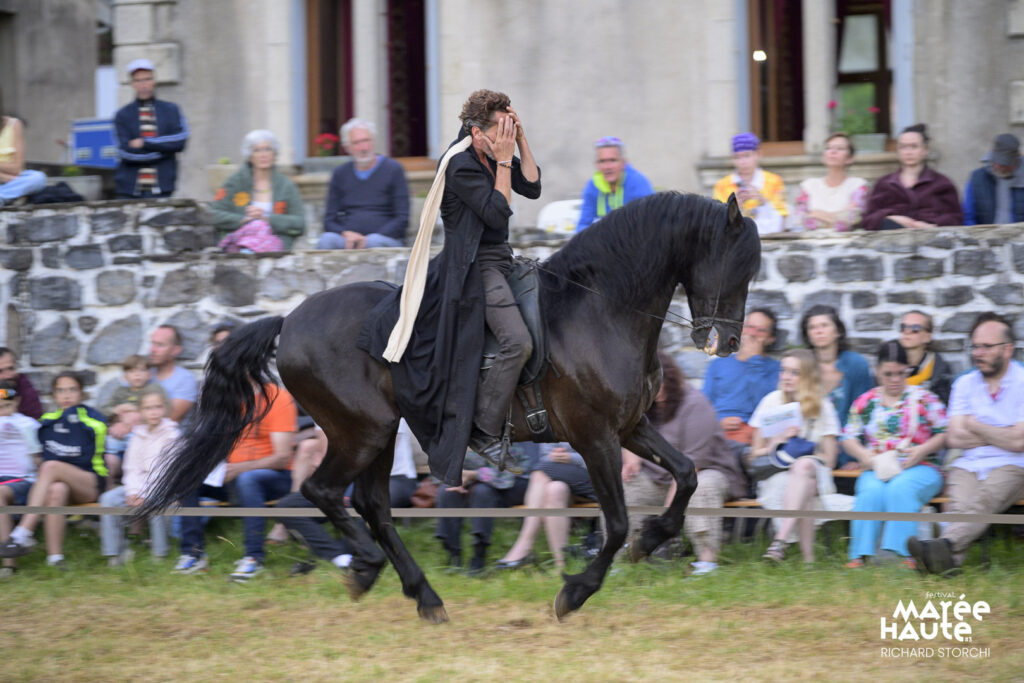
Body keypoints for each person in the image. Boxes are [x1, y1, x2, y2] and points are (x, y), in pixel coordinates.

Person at [357, 89, 541, 477]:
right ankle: (483, 433)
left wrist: (521, 139)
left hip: (501, 258)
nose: (504, 138)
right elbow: (497, 214)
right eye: (499, 131)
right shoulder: (460, 164)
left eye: (508, 130)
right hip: (474, 267)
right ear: (476, 133)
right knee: (518, 341)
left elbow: (532, 186)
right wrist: (504, 160)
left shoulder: (492, 151)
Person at [908, 312, 1024, 575]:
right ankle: (946, 564)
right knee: (960, 507)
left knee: (985, 499)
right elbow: (954, 437)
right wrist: (1001, 434)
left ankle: (941, 547)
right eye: (975, 346)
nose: (978, 353)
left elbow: (1019, 442)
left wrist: (975, 425)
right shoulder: (964, 383)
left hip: (1014, 465)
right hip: (969, 463)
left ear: (1007, 349)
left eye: (986, 347)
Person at [621, 352, 747, 576]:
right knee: (625, 486)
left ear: (669, 378)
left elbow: (689, 471)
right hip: (660, 476)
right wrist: (630, 455)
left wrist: (666, 521)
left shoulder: (696, 405)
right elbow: (628, 433)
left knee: (701, 487)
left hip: (705, 472)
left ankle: (706, 562)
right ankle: (621, 558)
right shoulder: (644, 403)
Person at [173, 382, 297, 581]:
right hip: (232, 474)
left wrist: (240, 468)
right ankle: (193, 554)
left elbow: (282, 458)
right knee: (187, 477)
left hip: (275, 477)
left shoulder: (277, 397)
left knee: (248, 479)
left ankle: (253, 558)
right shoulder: (229, 399)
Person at [842, 341, 948, 568]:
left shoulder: (924, 399)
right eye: (888, 374)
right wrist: (863, 454)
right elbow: (848, 437)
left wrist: (922, 450)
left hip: (921, 467)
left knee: (901, 487)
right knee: (869, 492)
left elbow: (945, 433)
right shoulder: (866, 401)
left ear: (908, 370)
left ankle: (905, 554)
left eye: (901, 373)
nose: (894, 379)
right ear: (878, 371)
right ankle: (858, 556)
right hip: (878, 467)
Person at [0, 372, 107, 568]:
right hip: (60, 483)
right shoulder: (46, 422)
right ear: (54, 395)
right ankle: (55, 557)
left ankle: (23, 531)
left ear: (81, 393)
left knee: (51, 467)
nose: (66, 395)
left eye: (72, 390)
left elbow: (86, 458)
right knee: (56, 489)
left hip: (89, 483)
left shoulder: (94, 419)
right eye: (61, 391)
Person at [752, 350, 843, 564]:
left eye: (795, 372)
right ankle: (808, 560)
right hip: (776, 471)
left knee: (803, 467)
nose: (786, 377)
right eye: (783, 371)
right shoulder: (771, 402)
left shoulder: (822, 406)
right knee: (805, 485)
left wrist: (804, 452)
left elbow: (829, 459)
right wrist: (779, 440)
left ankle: (780, 541)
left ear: (808, 376)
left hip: (816, 472)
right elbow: (754, 453)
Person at [99, 386, 179, 567]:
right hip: (139, 486)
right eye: (148, 408)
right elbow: (132, 467)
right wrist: (133, 492)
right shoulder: (138, 435)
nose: (153, 412)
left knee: (156, 501)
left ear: (165, 408)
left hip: (163, 487)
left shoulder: (172, 434)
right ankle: (115, 553)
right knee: (108, 499)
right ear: (141, 411)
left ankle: (160, 553)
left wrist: (143, 493)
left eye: (158, 407)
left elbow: (166, 470)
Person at [435, 442, 539, 575]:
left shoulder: (503, 434)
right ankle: (454, 556)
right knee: (447, 491)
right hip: (476, 481)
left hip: (512, 483)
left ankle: (479, 556)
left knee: (482, 492)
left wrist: (473, 475)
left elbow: (507, 471)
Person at [495, 443, 595, 570]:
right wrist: (555, 457)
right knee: (555, 490)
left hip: (596, 477)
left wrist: (571, 458)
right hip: (563, 478)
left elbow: (606, 455)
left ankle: (524, 545)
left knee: (540, 472)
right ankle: (561, 563)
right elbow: (545, 457)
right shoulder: (551, 430)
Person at [799, 305, 873, 468]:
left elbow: (863, 412)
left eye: (824, 325)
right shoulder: (801, 366)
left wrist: (857, 455)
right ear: (807, 335)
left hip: (848, 450)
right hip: (810, 449)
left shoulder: (856, 364)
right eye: (812, 327)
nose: (819, 331)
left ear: (838, 331)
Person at [318, 118, 410, 249]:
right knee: (327, 240)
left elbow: (402, 218)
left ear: (373, 141)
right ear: (347, 147)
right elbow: (329, 221)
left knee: (373, 242)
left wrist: (370, 238)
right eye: (356, 143)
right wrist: (345, 233)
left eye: (366, 140)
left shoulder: (394, 169)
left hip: (385, 239)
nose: (363, 148)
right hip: (348, 240)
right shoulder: (340, 173)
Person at [208, 129, 305, 251]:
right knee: (255, 226)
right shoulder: (235, 182)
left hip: (274, 245)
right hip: (240, 241)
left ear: (274, 154)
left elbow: (300, 223)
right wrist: (244, 220)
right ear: (250, 156)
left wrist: (267, 219)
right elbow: (212, 213)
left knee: (259, 225)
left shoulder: (286, 185)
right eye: (257, 150)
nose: (263, 155)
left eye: (268, 149)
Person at [860, 123, 962, 231]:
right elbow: (868, 220)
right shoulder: (884, 183)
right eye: (903, 147)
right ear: (898, 150)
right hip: (891, 238)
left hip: (932, 238)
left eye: (914, 146)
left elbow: (955, 218)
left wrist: (931, 227)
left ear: (925, 149)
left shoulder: (942, 183)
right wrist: (892, 218)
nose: (908, 152)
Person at [702, 309, 781, 444]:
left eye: (761, 330)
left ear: (770, 339)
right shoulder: (718, 364)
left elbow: (766, 405)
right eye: (749, 327)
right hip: (718, 432)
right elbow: (704, 405)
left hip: (753, 434)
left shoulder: (776, 368)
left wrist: (754, 361)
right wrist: (717, 423)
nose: (752, 333)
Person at [113, 59, 189, 199]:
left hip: (162, 188)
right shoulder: (122, 115)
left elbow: (180, 140)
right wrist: (164, 152)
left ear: (154, 81)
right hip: (129, 191)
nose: (143, 85)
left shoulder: (171, 110)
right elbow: (124, 152)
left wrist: (144, 143)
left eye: (147, 79)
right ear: (132, 83)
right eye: (138, 80)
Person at [101, 354, 167, 483]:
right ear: (125, 376)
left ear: (149, 374)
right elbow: (104, 410)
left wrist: (135, 415)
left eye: (142, 370)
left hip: (141, 435)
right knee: (108, 446)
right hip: (119, 436)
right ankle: (108, 485)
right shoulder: (120, 391)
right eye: (132, 371)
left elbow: (163, 411)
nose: (137, 375)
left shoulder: (153, 389)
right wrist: (117, 409)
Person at [0, 380, 41, 578]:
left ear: (16, 401)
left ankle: (9, 563)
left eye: (7, 405)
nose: (3, 411)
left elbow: (38, 458)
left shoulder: (28, 424)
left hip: (21, 480)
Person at [712, 132, 788, 234]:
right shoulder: (722, 186)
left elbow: (782, 223)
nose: (742, 162)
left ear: (758, 154)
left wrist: (763, 201)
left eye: (747, 155)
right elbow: (717, 225)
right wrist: (734, 208)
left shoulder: (774, 181)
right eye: (737, 157)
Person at [791, 133, 868, 232]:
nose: (833, 151)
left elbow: (851, 220)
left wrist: (815, 214)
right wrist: (837, 217)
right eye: (828, 148)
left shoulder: (858, 185)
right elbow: (799, 220)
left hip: (846, 240)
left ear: (849, 158)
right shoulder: (809, 186)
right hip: (812, 240)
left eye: (840, 148)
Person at [574, 136, 654, 231]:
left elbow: (651, 221)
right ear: (596, 164)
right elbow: (583, 224)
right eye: (602, 161)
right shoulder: (592, 187)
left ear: (623, 163)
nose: (607, 167)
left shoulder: (638, 183)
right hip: (602, 238)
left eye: (612, 160)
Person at [962, 133, 1024, 225]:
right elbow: (968, 216)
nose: (1000, 167)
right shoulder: (977, 178)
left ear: (1017, 159)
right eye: (998, 162)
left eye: (1005, 164)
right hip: (984, 233)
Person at [0, 88, 47, 207]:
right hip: (10, 179)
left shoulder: (14, 125)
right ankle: (11, 197)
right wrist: (5, 176)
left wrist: (5, 178)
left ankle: (3, 197)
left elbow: (16, 168)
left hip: (10, 182)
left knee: (38, 178)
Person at [898, 310, 954, 405]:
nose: (907, 331)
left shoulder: (939, 370)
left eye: (915, 328)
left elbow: (943, 406)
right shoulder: (889, 362)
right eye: (903, 327)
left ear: (928, 337)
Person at [148, 325, 198, 424]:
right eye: (153, 343)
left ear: (175, 350)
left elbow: (169, 419)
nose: (153, 350)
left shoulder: (185, 380)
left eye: (160, 345)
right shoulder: (144, 374)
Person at [0, 347, 42, 419]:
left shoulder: (25, 390)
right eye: (0, 371)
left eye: (11, 368)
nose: (7, 376)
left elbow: (34, 422)